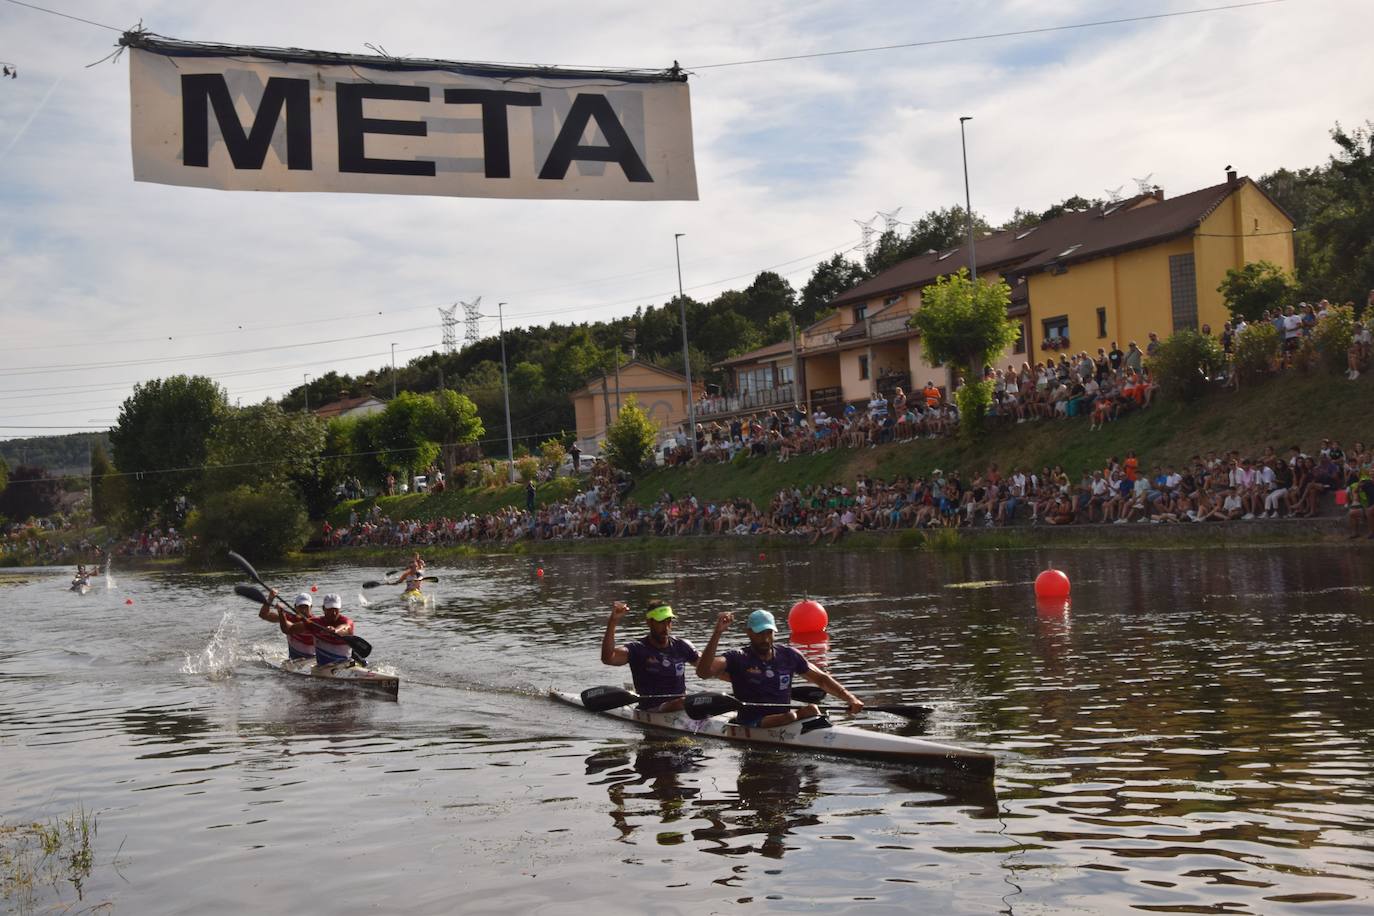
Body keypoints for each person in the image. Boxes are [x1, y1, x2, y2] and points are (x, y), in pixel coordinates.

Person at [696, 609, 862, 728]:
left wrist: (850, 698)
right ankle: (796, 717)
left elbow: (821, 679)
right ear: (749, 633)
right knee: (796, 714)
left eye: (769, 632)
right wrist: (717, 633)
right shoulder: (738, 657)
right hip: (752, 723)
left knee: (811, 709)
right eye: (760, 633)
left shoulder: (788, 655)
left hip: (785, 720)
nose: (766, 639)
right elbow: (704, 672)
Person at [600, 600, 699, 711]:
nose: (666, 628)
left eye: (669, 621)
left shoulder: (682, 646)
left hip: (681, 705)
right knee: (684, 701)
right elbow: (608, 658)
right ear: (649, 622)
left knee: (699, 698)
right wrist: (613, 620)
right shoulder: (638, 649)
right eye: (661, 622)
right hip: (652, 708)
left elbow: (708, 667)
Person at [259, 590, 317, 662]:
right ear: (295, 607)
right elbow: (263, 615)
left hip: (313, 659)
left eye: (306, 607)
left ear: (311, 607)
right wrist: (270, 598)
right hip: (294, 660)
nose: (303, 610)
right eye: (301, 607)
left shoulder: (316, 622)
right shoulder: (287, 618)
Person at [306, 594, 358, 667]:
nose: (334, 613)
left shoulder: (347, 621)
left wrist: (335, 630)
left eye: (336, 609)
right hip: (322, 667)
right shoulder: (314, 622)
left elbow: (345, 627)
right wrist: (283, 615)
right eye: (330, 609)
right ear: (323, 608)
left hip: (345, 664)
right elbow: (288, 630)